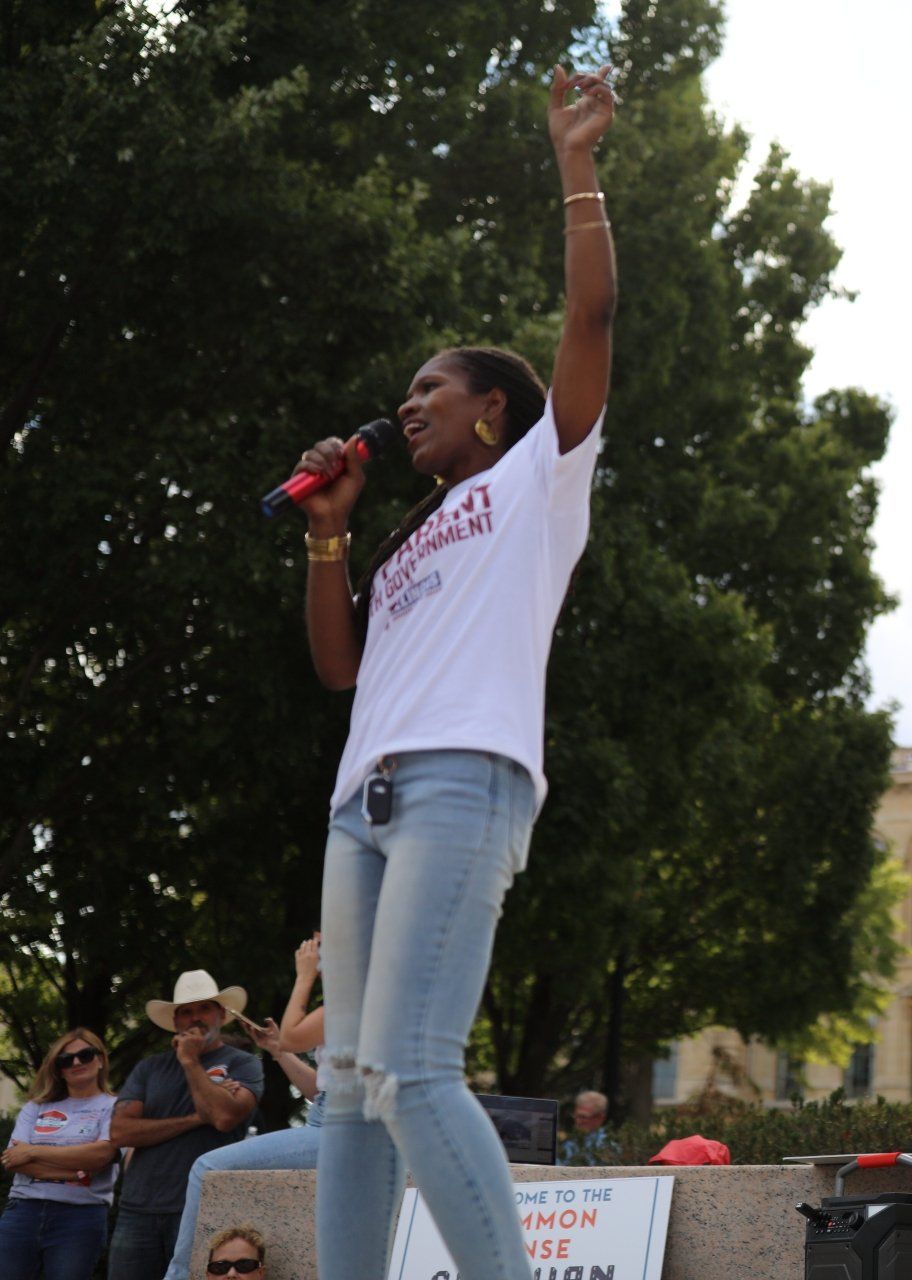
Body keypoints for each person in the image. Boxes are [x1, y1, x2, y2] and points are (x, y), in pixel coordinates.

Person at [290, 61, 618, 1280]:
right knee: (351, 1093)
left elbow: (588, 324)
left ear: (493, 409)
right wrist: (331, 525)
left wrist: (575, 164)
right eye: (405, 389)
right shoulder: (406, 533)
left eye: (433, 386)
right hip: (357, 806)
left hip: (462, 782)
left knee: (416, 1065)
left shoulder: (541, 478)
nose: (407, 401)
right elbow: (339, 665)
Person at [162, 935, 326, 1280]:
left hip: (345, 1128)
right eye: (186, 1011)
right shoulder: (352, 1002)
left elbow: (295, 1035)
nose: (313, 951)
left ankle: (177, 1277)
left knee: (206, 1167)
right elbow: (320, 1089)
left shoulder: (352, 1001)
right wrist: (278, 1050)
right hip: (330, 1117)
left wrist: (304, 976)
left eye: (323, 946)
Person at [107, 972, 264, 1280]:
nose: (196, 1018)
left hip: (203, 1208)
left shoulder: (244, 1063)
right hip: (137, 1209)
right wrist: (196, 1118)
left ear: (220, 1014)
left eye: (204, 1008)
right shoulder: (150, 1067)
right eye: (187, 1012)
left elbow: (223, 1118)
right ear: (175, 1021)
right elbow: (120, 1132)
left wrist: (191, 1062)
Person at [0, 1029, 119, 1280]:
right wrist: (79, 1169)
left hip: (80, 1217)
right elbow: (13, 1160)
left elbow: (100, 1157)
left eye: (85, 1055)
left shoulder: (116, 1106)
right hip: (23, 1211)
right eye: (66, 1059)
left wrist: (32, 1151)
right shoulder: (35, 1106)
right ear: (58, 1069)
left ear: (100, 1060)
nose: (76, 1062)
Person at [557, 1090, 612, 1165]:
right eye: (576, 1116)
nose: (578, 1121)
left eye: (583, 1117)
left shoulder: (606, 1147)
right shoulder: (571, 1142)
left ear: (599, 1118)